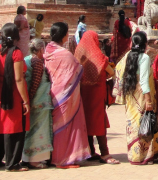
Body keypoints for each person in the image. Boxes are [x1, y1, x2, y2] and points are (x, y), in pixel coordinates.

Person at [44, 22, 90, 168]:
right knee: (65, 125)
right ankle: (62, 159)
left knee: (57, 126)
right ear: (64, 36)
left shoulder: (47, 50)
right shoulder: (64, 54)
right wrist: (82, 63)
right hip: (65, 93)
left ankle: (57, 156)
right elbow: (76, 71)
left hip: (53, 92)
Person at [112, 32, 158, 165]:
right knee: (145, 123)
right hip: (142, 97)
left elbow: (117, 69)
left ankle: (134, 155)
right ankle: (145, 156)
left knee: (133, 125)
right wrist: (149, 101)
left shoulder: (127, 56)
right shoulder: (144, 58)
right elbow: (144, 81)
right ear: (145, 44)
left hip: (131, 96)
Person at [0, 23, 31, 171]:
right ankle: (12, 162)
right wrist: (25, 100)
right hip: (12, 93)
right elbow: (18, 79)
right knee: (13, 126)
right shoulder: (16, 53)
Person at [75, 31, 118, 164]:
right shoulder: (97, 55)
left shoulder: (78, 52)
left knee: (86, 121)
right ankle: (105, 153)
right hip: (97, 92)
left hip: (83, 91)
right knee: (99, 121)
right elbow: (111, 72)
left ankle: (91, 150)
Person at [22, 39, 53, 168]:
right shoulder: (37, 62)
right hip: (39, 101)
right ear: (41, 50)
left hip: (32, 100)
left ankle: (27, 156)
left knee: (30, 130)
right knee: (38, 130)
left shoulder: (27, 59)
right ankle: (35, 159)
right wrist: (30, 99)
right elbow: (35, 83)